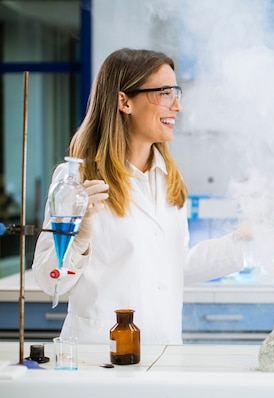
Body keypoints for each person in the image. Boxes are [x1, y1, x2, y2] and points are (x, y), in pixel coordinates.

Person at [32, 48, 249, 345]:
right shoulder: (78, 182)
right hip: (100, 356)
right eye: (165, 93)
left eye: (177, 93)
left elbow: (173, 266)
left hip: (163, 351)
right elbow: (50, 280)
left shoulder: (169, 178)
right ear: (124, 101)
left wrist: (242, 239)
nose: (177, 107)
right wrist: (79, 239)